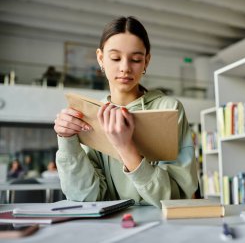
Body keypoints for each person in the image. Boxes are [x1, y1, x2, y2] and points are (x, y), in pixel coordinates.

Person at [54, 16, 198, 207]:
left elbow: (178, 198)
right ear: (100, 58)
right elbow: (86, 198)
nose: (125, 68)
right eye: (115, 58)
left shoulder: (169, 109)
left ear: (146, 61)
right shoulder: (91, 114)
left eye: (136, 59)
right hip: (110, 230)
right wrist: (67, 141)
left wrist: (125, 148)